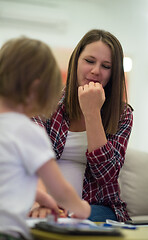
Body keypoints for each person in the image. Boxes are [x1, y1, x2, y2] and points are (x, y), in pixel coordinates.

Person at [31, 29, 133, 222]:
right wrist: (42, 201)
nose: (96, 71)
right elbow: (32, 158)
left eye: (106, 66)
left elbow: (106, 175)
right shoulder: (45, 102)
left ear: (114, 72)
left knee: (75, 219)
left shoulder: (123, 114)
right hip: (44, 199)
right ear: (76, 61)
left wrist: (92, 112)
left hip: (96, 206)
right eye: (89, 61)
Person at [0, 37, 91, 240]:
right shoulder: (28, 131)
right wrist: (82, 209)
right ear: (36, 89)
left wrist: (43, 199)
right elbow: (60, 190)